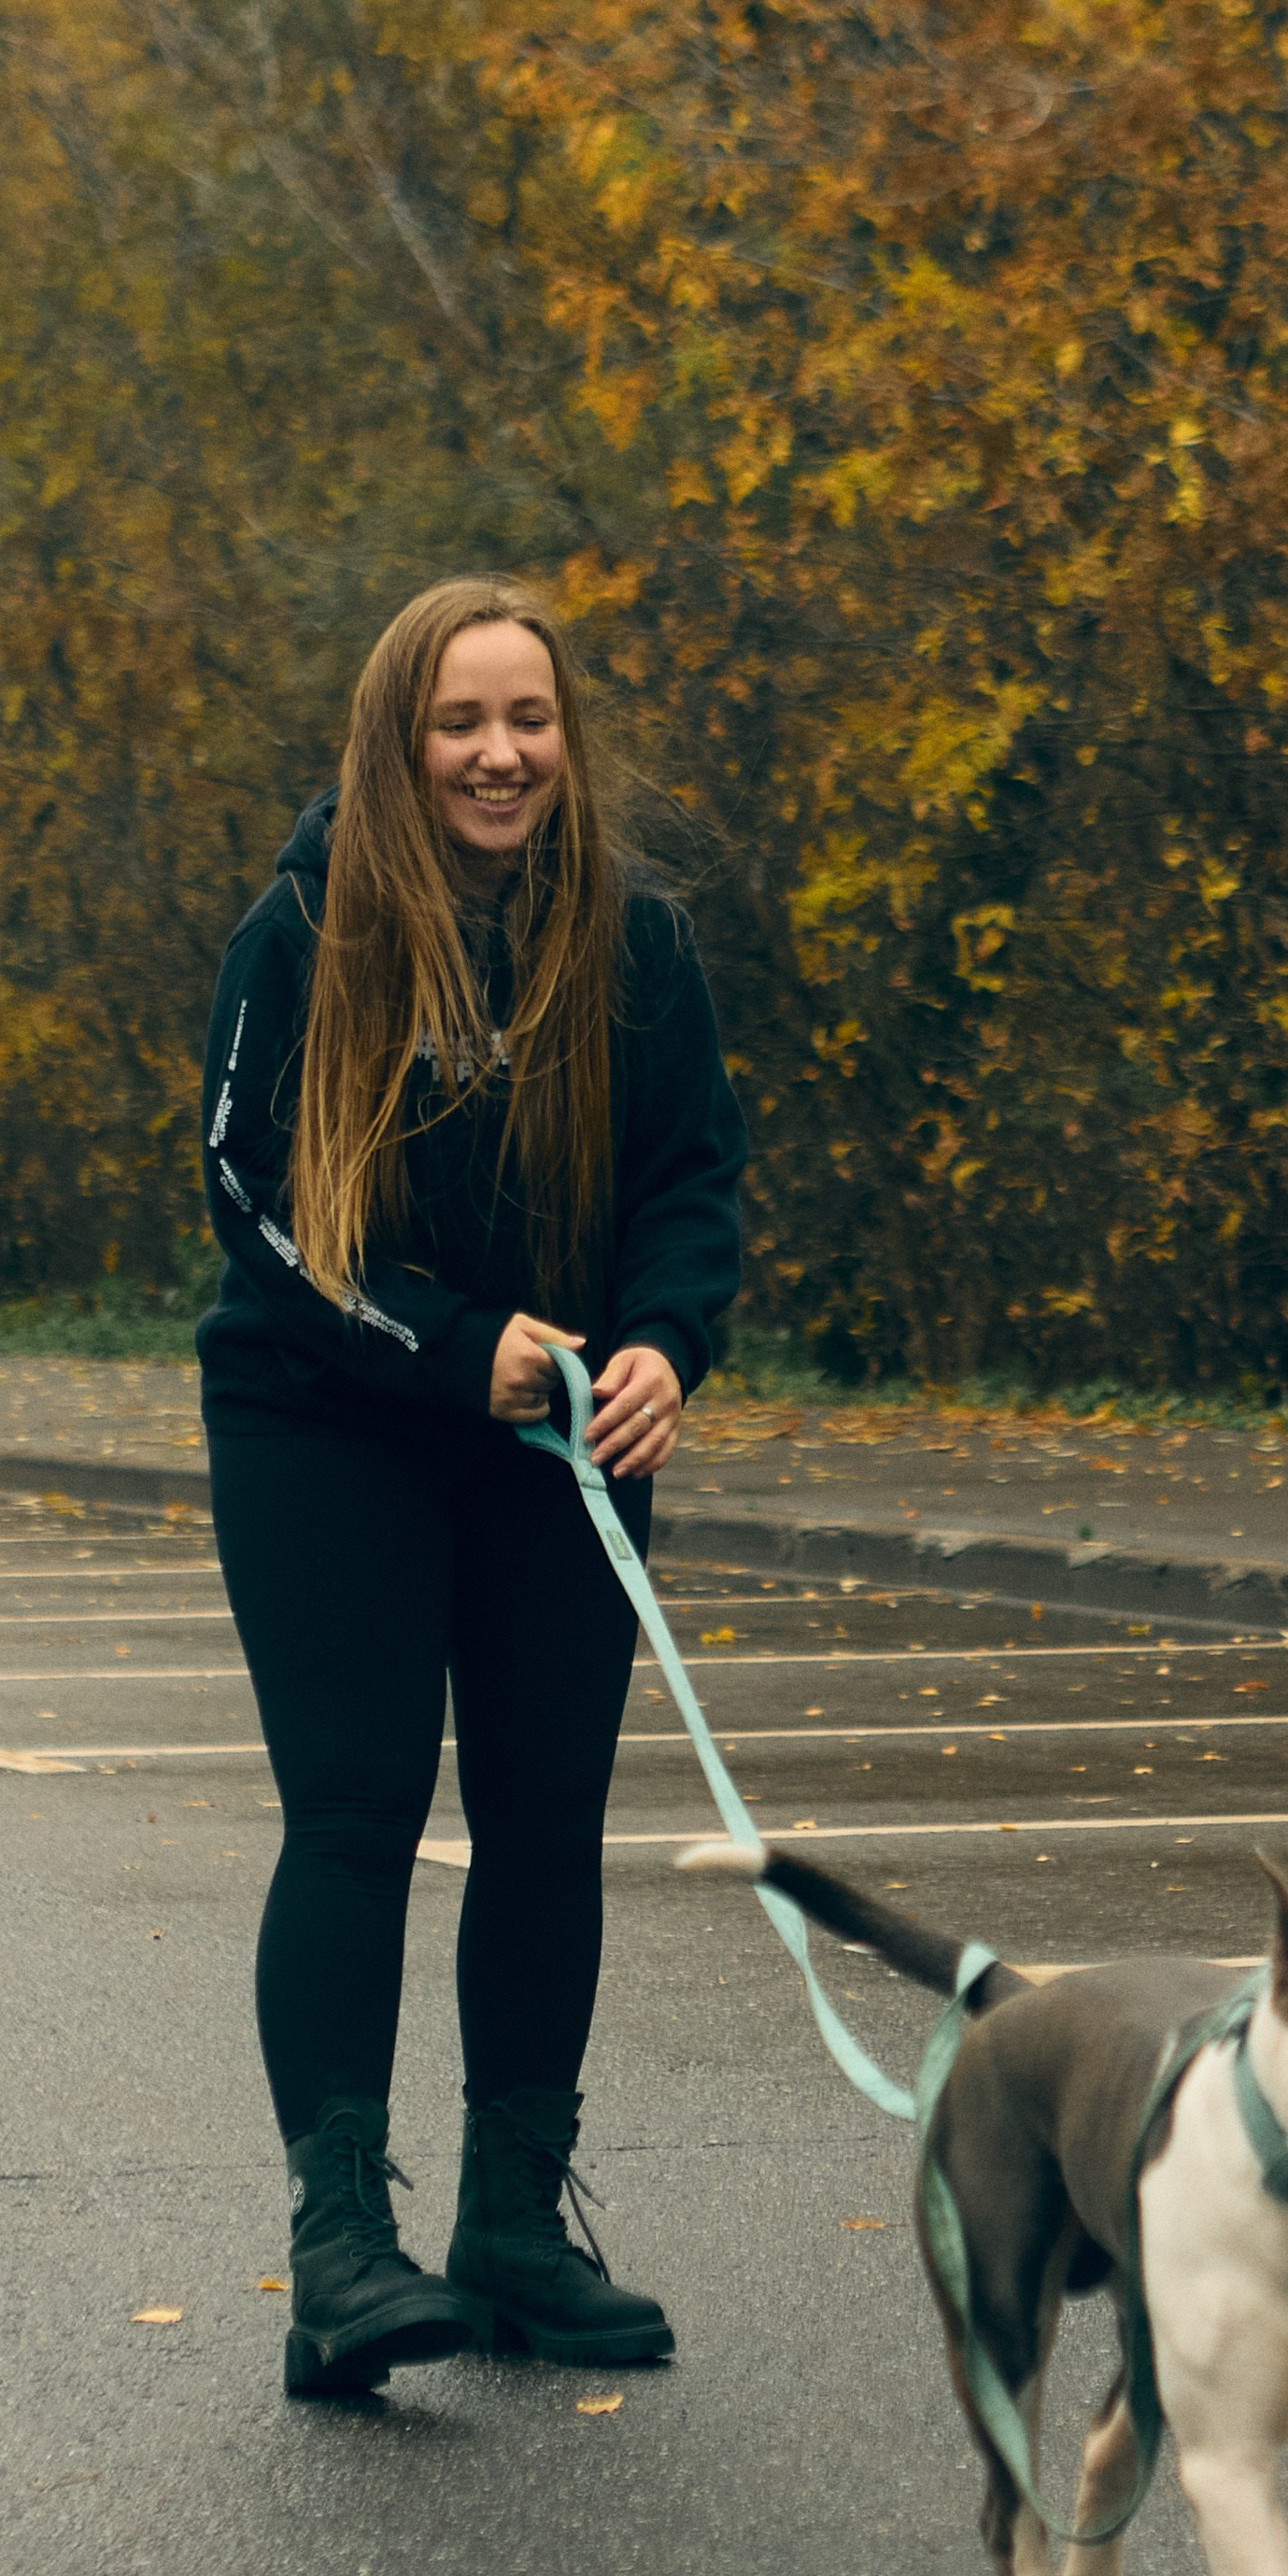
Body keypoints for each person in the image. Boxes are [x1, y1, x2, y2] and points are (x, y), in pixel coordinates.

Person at [196, 574, 746, 2399]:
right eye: (459, 722)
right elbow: (259, 1209)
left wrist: (663, 1339)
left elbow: (688, 1176)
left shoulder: (631, 942)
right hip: (330, 1424)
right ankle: (338, 2250)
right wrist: (448, 1346)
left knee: (541, 1823)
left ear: (564, 743)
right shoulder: (307, 925)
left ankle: (512, 2229)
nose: (499, 754)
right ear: (398, 740)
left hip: (553, 1433)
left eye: (529, 720)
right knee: (357, 1817)